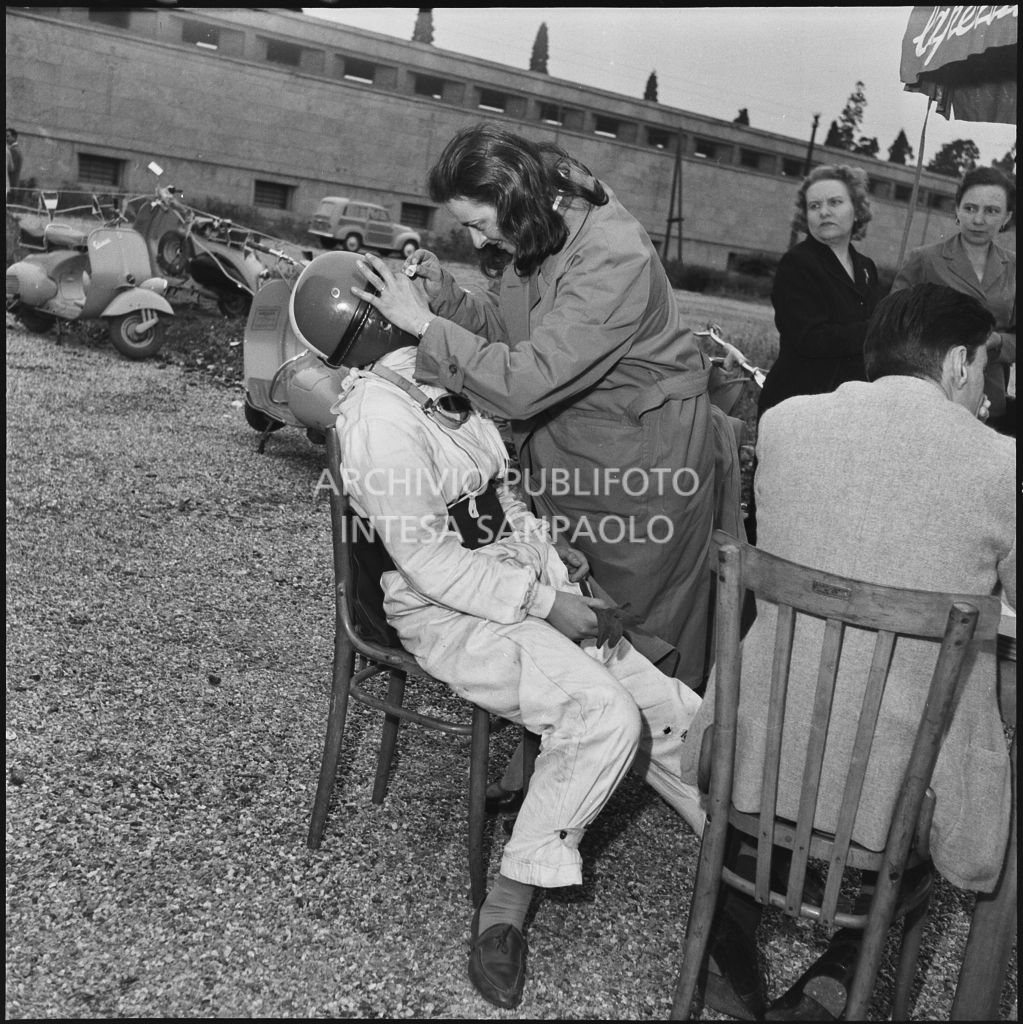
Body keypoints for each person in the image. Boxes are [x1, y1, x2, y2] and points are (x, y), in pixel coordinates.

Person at [290, 251, 707, 1012]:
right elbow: (427, 563)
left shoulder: (438, 381)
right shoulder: (379, 418)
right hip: (443, 609)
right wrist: (546, 604)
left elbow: (500, 496)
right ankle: (503, 911)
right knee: (601, 713)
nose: (422, 280)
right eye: (403, 280)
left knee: (672, 705)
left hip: (505, 582)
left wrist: (552, 564)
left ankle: (733, 853)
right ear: (374, 314)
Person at [680, 283, 1015, 1020]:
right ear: (958, 363)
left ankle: (731, 931)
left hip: (753, 752)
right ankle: (844, 969)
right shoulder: (1000, 465)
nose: (988, 387)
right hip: (891, 797)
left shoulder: (788, 422)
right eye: (987, 366)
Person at [349, 122, 724, 691]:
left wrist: (423, 326)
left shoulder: (610, 254)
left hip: (641, 467)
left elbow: (529, 378)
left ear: (514, 196)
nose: (476, 243)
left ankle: (657, 763)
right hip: (576, 450)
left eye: (477, 224)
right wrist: (444, 297)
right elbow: (510, 329)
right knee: (572, 609)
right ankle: (574, 743)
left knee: (640, 624)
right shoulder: (539, 227)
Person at [748, 164, 885, 544]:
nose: (824, 212)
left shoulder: (868, 269)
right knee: (779, 518)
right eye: (814, 205)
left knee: (827, 520)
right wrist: (878, 329)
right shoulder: (798, 264)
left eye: (835, 202)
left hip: (847, 410)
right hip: (798, 404)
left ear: (856, 210)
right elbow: (810, 338)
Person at [892, 165, 1016, 436]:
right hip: (929, 393)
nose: (979, 219)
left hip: (989, 398)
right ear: (957, 210)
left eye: (991, 211)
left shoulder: (1015, 267)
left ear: (1006, 217)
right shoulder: (924, 259)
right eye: (970, 208)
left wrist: (997, 343)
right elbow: (890, 326)